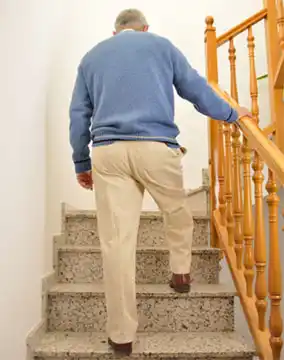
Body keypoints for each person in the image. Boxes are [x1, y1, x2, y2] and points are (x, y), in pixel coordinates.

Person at [69, 9, 251, 356]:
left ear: (114, 32)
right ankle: (180, 272)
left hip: (109, 152)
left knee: (118, 243)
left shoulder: (91, 57)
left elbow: (78, 113)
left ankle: (122, 336)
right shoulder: (162, 46)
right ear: (144, 28)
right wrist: (231, 113)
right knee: (178, 211)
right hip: (156, 147)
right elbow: (196, 89)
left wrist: (81, 161)